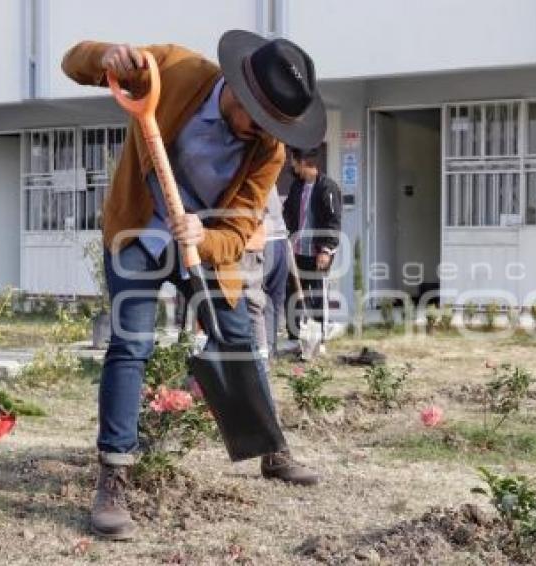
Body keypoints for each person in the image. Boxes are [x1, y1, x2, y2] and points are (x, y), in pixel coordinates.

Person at [61, 30, 327, 541]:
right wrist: (105, 58)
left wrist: (205, 237)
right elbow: (75, 61)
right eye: (259, 117)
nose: (262, 132)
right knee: (131, 344)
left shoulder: (267, 149)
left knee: (238, 342)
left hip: (199, 243)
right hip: (140, 229)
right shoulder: (174, 71)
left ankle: (270, 449)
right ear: (237, 89)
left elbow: (240, 229)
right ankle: (113, 477)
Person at [283, 147, 342, 340]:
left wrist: (326, 250)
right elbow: (288, 213)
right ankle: (295, 337)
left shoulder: (327, 187)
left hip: (318, 253)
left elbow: (333, 221)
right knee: (293, 294)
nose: (292, 165)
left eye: (294, 161)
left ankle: (319, 338)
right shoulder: (297, 186)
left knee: (317, 296)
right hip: (297, 251)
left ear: (304, 162)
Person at [243, 186, 290, 360]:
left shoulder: (256, 174)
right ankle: (270, 348)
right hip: (279, 238)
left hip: (265, 239)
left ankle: (264, 350)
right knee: (273, 298)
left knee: (258, 299)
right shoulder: (270, 175)